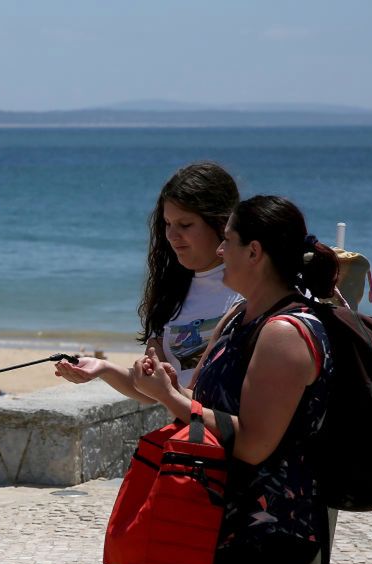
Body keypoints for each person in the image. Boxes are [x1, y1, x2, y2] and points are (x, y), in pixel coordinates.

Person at [132, 195, 340, 564]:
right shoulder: (237, 316)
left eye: (228, 240)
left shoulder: (286, 333)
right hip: (217, 524)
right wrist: (163, 387)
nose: (220, 249)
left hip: (271, 538)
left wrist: (171, 400)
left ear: (254, 252)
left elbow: (253, 444)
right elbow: (208, 403)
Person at [55, 162, 240, 398]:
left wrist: (172, 395)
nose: (172, 236)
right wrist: (103, 368)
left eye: (185, 225)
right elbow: (149, 392)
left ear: (222, 223)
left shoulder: (251, 290)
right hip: (187, 431)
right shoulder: (171, 293)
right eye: (168, 224)